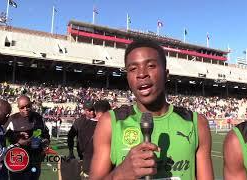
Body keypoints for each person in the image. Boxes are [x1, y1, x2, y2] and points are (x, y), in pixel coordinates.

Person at [90, 39, 214, 180]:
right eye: (133, 69)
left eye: (151, 66)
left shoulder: (196, 123)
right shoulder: (110, 123)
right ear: (127, 77)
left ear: (166, 74)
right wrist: (121, 174)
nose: (141, 74)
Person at [5, 95, 50, 180]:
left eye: (28, 106)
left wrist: (45, 144)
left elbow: (45, 133)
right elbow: (3, 134)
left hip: (35, 159)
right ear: (18, 107)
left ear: (31, 105)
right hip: (18, 159)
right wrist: (17, 138)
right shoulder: (13, 119)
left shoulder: (38, 117)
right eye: (22, 107)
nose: (25, 109)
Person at [80, 99, 111, 180]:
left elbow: (80, 147)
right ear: (108, 111)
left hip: (87, 168)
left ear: (95, 111)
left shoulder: (84, 125)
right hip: (104, 170)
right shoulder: (110, 126)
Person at [0, 99, 11, 180]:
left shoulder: (0, 126)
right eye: (6, 114)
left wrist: (13, 135)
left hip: (2, 172)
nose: (8, 117)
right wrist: (16, 145)